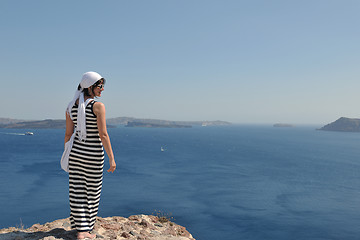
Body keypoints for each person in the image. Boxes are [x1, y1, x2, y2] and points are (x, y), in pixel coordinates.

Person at [64, 71, 116, 240]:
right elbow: (103, 135)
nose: (102, 89)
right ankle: (85, 230)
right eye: (99, 86)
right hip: (93, 155)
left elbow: (68, 135)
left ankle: (80, 228)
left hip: (75, 154)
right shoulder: (98, 106)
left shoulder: (70, 106)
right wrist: (112, 158)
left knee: (77, 191)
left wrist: (67, 153)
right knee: (92, 192)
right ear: (90, 87)